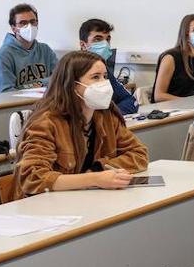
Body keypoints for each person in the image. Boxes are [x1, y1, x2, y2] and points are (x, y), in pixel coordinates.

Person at [13, 51, 150, 198]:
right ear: (72, 85)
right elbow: (32, 177)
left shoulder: (106, 115)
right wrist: (95, 179)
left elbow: (139, 154)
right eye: (95, 77)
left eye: (105, 77)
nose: (104, 83)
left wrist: (98, 168)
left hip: (87, 200)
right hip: (46, 207)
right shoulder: (45, 122)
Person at [152, 13, 194, 102]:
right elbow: (159, 96)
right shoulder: (170, 58)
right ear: (186, 34)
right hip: (171, 110)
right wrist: (188, 103)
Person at [0, 3, 57, 93]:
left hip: (46, 102)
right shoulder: (2, 56)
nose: (29, 26)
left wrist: (24, 87)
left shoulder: (45, 50)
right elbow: (6, 92)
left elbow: (59, 79)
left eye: (33, 21)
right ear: (14, 28)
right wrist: (45, 82)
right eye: (23, 23)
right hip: (18, 105)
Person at [77, 18, 137, 115]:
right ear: (83, 45)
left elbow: (131, 101)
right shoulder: (71, 71)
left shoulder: (104, 71)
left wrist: (109, 116)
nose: (105, 44)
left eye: (107, 39)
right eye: (98, 39)